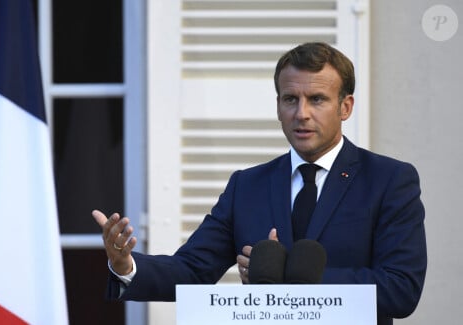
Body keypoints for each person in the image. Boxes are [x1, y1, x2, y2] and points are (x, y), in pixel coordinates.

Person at [92, 42, 427, 325]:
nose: (302, 113)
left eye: (317, 99)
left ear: (345, 107)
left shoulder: (389, 180)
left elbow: (400, 288)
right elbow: (192, 270)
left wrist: (292, 278)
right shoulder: (247, 186)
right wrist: (126, 265)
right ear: (278, 107)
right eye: (290, 99)